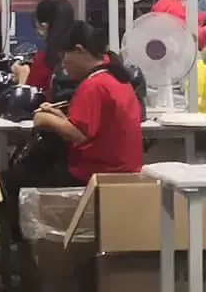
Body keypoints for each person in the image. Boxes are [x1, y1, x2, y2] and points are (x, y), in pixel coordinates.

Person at [29, 20, 145, 183]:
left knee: (20, 175)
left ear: (79, 50)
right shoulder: (117, 78)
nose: (63, 65)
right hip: (124, 169)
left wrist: (45, 119)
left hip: (99, 173)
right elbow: (90, 128)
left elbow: (79, 135)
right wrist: (57, 115)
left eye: (64, 56)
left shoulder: (94, 85)